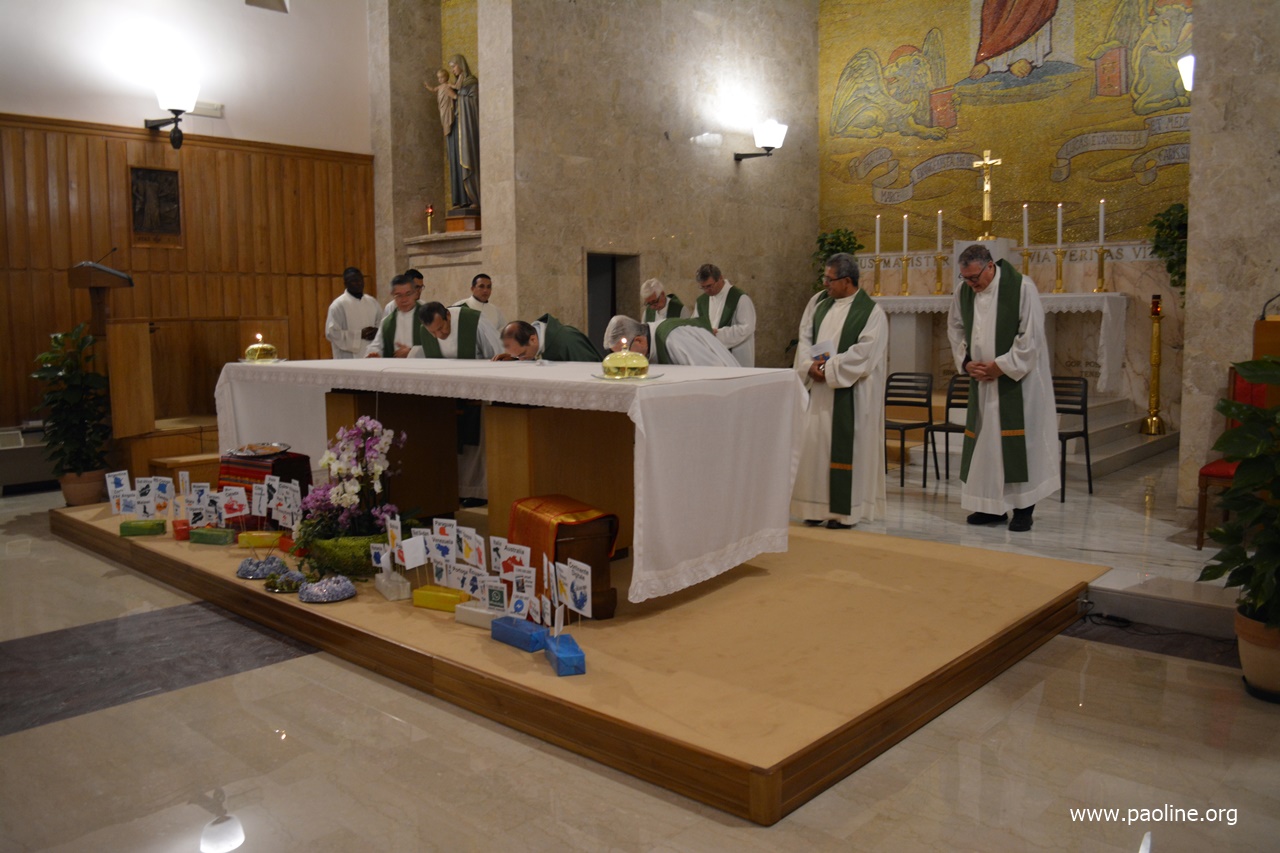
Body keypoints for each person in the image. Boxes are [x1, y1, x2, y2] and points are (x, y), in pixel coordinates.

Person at [946, 243, 1059, 532]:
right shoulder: (963, 292)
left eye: (975, 278)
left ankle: (1023, 509)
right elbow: (955, 328)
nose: (971, 285)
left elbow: (1031, 336)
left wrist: (1002, 366)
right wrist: (967, 362)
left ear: (990, 266)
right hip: (983, 385)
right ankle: (990, 507)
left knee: (1021, 445)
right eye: (965, 278)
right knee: (986, 446)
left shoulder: (1021, 288)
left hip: (1018, 384)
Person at [790, 252, 888, 529]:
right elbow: (805, 337)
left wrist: (829, 369)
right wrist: (808, 366)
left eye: (830, 279)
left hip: (851, 394)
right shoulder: (818, 303)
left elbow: (865, 353)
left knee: (846, 449)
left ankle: (843, 513)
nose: (825, 284)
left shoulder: (872, 313)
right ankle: (813, 508)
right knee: (815, 449)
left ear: (847, 281)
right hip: (820, 394)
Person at [602, 315, 737, 367]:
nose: (625, 359)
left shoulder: (672, 338)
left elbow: (711, 368)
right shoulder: (651, 344)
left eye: (625, 351)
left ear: (639, 341)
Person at [690, 263, 756, 367]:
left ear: (720, 278)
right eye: (703, 287)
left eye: (709, 286)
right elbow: (695, 324)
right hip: (712, 360)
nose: (707, 290)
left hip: (736, 358)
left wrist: (718, 334)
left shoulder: (740, 298)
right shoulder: (701, 301)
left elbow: (747, 328)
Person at [325, 267, 381, 359]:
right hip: (347, 357)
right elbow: (332, 333)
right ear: (345, 284)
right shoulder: (338, 305)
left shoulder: (372, 302)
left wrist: (377, 331)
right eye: (354, 281)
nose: (358, 283)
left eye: (360, 280)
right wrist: (359, 335)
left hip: (371, 355)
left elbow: (381, 324)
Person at [447, 54, 480, 210]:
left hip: (468, 129)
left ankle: (475, 197)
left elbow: (474, 102)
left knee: (468, 159)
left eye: (454, 66)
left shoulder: (471, 83)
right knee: (457, 160)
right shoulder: (458, 85)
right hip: (458, 128)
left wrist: (456, 97)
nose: (453, 70)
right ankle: (463, 199)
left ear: (461, 64)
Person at [366, 274, 427, 358]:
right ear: (393, 295)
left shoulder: (428, 317)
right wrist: (375, 353)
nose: (404, 300)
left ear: (415, 293)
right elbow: (377, 346)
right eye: (399, 295)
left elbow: (439, 346)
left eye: (408, 294)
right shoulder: (387, 323)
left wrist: (412, 352)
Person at [417, 301, 501, 359]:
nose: (438, 335)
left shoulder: (475, 321)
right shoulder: (424, 331)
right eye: (432, 332)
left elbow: (497, 351)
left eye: (440, 328)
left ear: (448, 315)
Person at [495, 316, 600, 362]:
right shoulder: (534, 339)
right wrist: (514, 358)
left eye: (522, 355)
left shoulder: (567, 340)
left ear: (532, 340)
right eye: (517, 356)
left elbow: (587, 371)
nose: (521, 360)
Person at [424, 67, 457, 136]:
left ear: (446, 77)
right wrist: (427, 86)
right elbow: (433, 89)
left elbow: (455, 87)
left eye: (442, 77)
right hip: (441, 105)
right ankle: (446, 129)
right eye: (439, 78)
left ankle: (448, 128)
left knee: (447, 116)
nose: (440, 79)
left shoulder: (448, 85)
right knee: (443, 117)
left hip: (447, 105)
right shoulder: (439, 87)